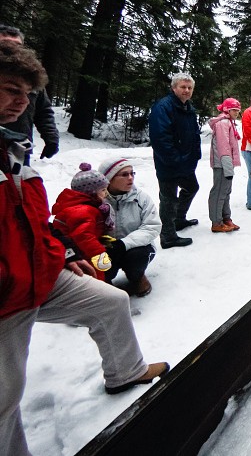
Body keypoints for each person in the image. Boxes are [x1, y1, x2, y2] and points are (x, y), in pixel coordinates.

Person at [0, 41, 168, 456]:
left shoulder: (15, 153)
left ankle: (124, 372)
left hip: (42, 271)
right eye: (9, 89)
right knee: (5, 400)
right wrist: (98, 254)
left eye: (26, 93)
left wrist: (66, 255)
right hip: (6, 295)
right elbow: (83, 231)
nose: (20, 102)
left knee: (110, 302)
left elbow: (39, 223)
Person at [148, 72, 201, 248]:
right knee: (169, 198)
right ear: (173, 88)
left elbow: (194, 134)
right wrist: (175, 160)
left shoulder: (188, 108)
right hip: (169, 163)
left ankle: (178, 219)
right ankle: (168, 236)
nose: (186, 90)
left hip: (186, 163)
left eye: (189, 87)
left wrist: (195, 155)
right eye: (183, 87)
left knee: (192, 187)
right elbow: (160, 139)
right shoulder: (163, 107)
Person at [98, 157, 160, 297]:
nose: (130, 178)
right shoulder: (98, 200)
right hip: (107, 248)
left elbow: (152, 226)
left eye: (132, 173)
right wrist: (107, 245)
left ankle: (137, 277)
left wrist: (124, 244)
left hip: (137, 247)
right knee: (97, 260)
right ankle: (104, 283)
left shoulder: (141, 198)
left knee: (136, 258)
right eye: (124, 174)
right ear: (109, 178)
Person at [0, 25, 59, 163]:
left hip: (19, 144)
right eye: (5, 45)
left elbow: (44, 111)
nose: (24, 101)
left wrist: (51, 138)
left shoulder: (30, 79)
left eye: (17, 46)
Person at [50, 163, 115, 281]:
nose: (106, 193)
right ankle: (99, 292)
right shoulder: (83, 210)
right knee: (94, 274)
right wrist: (99, 253)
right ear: (91, 193)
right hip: (80, 252)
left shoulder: (86, 206)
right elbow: (83, 235)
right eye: (103, 190)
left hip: (81, 249)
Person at [209, 98, 242, 232]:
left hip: (226, 164)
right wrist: (228, 167)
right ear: (227, 109)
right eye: (234, 110)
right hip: (222, 164)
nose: (236, 112)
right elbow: (224, 148)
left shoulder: (229, 123)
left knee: (226, 191)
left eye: (238, 110)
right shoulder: (223, 123)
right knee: (219, 192)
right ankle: (216, 222)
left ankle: (225, 218)